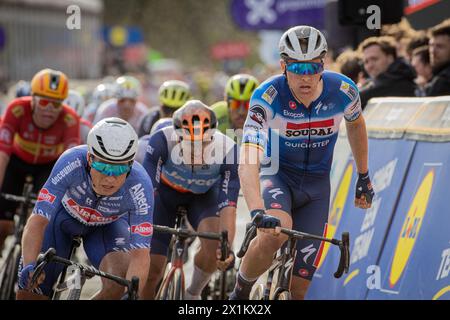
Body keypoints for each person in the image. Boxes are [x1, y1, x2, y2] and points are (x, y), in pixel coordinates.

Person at [229, 25, 374, 300]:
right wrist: (257, 210)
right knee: (274, 234)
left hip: (317, 187)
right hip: (278, 177)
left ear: (323, 64)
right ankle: (239, 293)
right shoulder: (267, 96)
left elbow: (356, 126)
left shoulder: (343, 90)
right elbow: (248, 158)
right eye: (297, 68)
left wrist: (363, 176)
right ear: (283, 66)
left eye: (313, 68)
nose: (305, 77)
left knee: (298, 292)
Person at [17, 118, 154, 300]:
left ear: (130, 164)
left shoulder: (140, 184)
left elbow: (140, 254)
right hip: (62, 219)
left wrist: (131, 294)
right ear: (89, 158)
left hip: (107, 227)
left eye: (119, 168)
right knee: (30, 290)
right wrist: (29, 264)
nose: (110, 178)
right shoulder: (71, 162)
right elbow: (37, 221)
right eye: (102, 165)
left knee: (119, 284)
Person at [141, 100, 239, 300]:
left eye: (203, 142)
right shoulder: (161, 140)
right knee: (152, 269)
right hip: (165, 196)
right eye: (188, 143)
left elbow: (229, 205)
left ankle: (193, 293)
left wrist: (226, 246)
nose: (196, 150)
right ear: (177, 136)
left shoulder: (229, 150)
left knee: (214, 245)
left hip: (202, 197)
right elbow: (148, 190)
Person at [0, 68, 80, 252]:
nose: (49, 110)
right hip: (16, 162)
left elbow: (70, 163)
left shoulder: (69, 119)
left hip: (47, 167)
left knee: (37, 221)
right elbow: (3, 154)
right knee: (2, 225)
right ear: (33, 98)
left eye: (56, 104)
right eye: (44, 101)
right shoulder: (17, 109)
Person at [358, 36, 417, 109]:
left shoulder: (397, 79)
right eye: (366, 62)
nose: (370, 65)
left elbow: (355, 100)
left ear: (390, 58)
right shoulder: (374, 82)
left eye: (374, 59)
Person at [211, 74, 260, 139]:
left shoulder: (266, 121)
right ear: (227, 103)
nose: (241, 112)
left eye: (248, 104)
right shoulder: (214, 115)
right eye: (235, 104)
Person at [425, 19, 450, 96]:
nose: (433, 51)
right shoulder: (439, 76)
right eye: (431, 45)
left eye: (440, 46)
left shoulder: (444, 81)